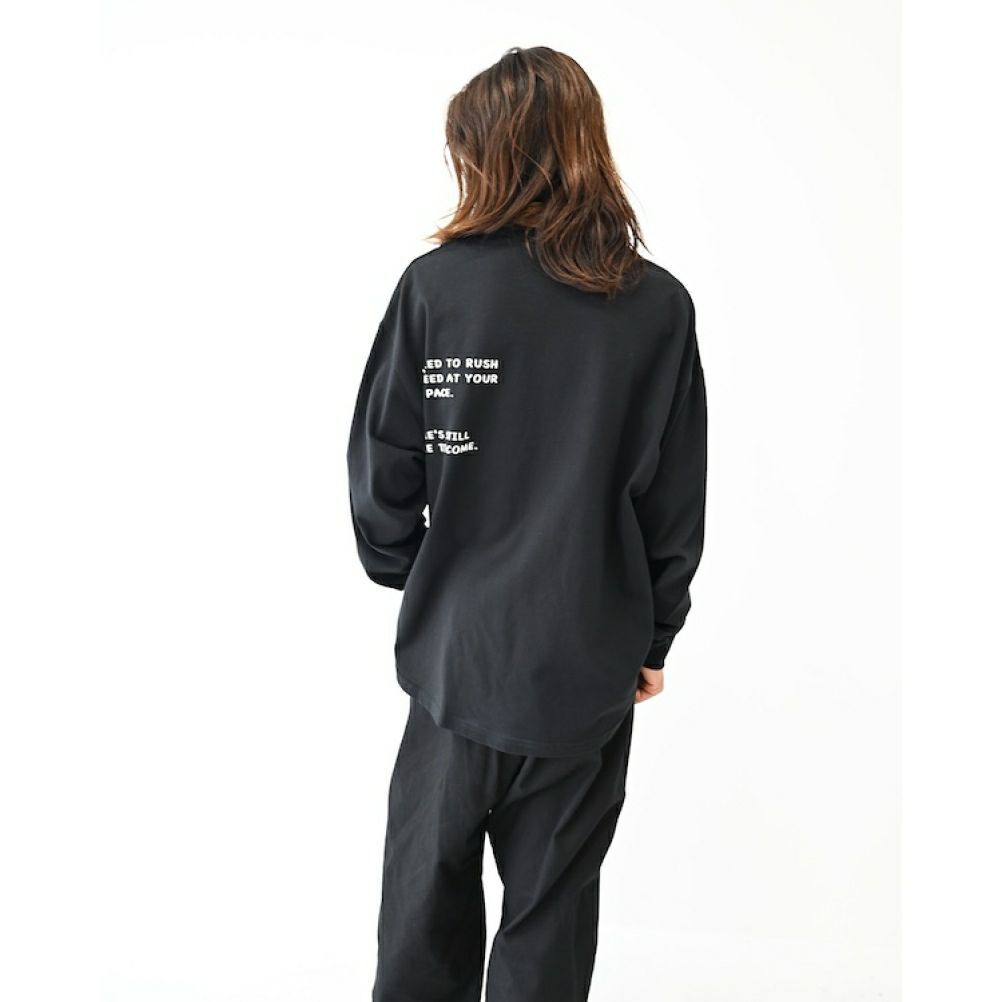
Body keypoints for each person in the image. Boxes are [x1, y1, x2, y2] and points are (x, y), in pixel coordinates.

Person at [346, 45, 707, 1002]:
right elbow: (674, 500)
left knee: (422, 916)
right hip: (586, 660)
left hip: (458, 656)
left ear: (486, 153)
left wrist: (422, 573)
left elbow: (383, 470)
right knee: (550, 928)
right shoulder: (657, 307)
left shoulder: (436, 288)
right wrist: (652, 635)